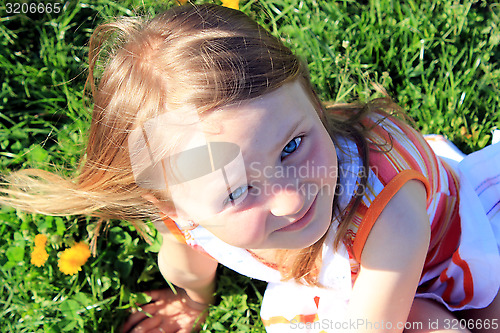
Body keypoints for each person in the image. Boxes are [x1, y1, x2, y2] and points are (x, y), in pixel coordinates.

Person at [2, 3, 499, 333]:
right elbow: (184, 264)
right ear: (173, 205)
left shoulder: (388, 204)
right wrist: (195, 300)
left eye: (293, 145)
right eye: (238, 192)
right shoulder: (187, 212)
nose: (292, 195)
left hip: (434, 256)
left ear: (309, 99)